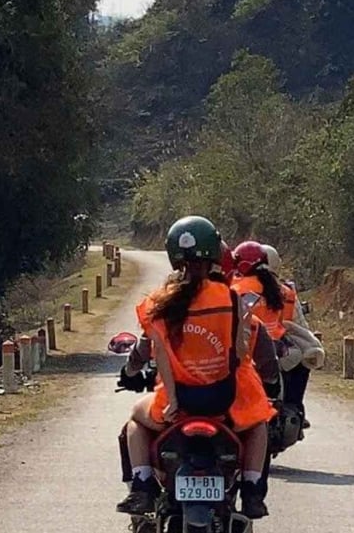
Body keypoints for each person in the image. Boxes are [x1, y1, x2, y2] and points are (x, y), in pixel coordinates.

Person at [116, 216, 276, 519]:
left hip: (178, 404)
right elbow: (240, 351)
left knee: (135, 423)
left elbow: (156, 351)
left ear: (174, 258)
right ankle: (253, 492)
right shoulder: (230, 298)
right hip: (224, 402)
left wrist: (173, 399)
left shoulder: (160, 302)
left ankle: (143, 485)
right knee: (258, 425)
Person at [256, 244, 324, 414]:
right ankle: (295, 407)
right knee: (302, 361)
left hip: (248, 351)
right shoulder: (285, 292)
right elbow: (300, 325)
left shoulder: (236, 289)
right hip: (279, 350)